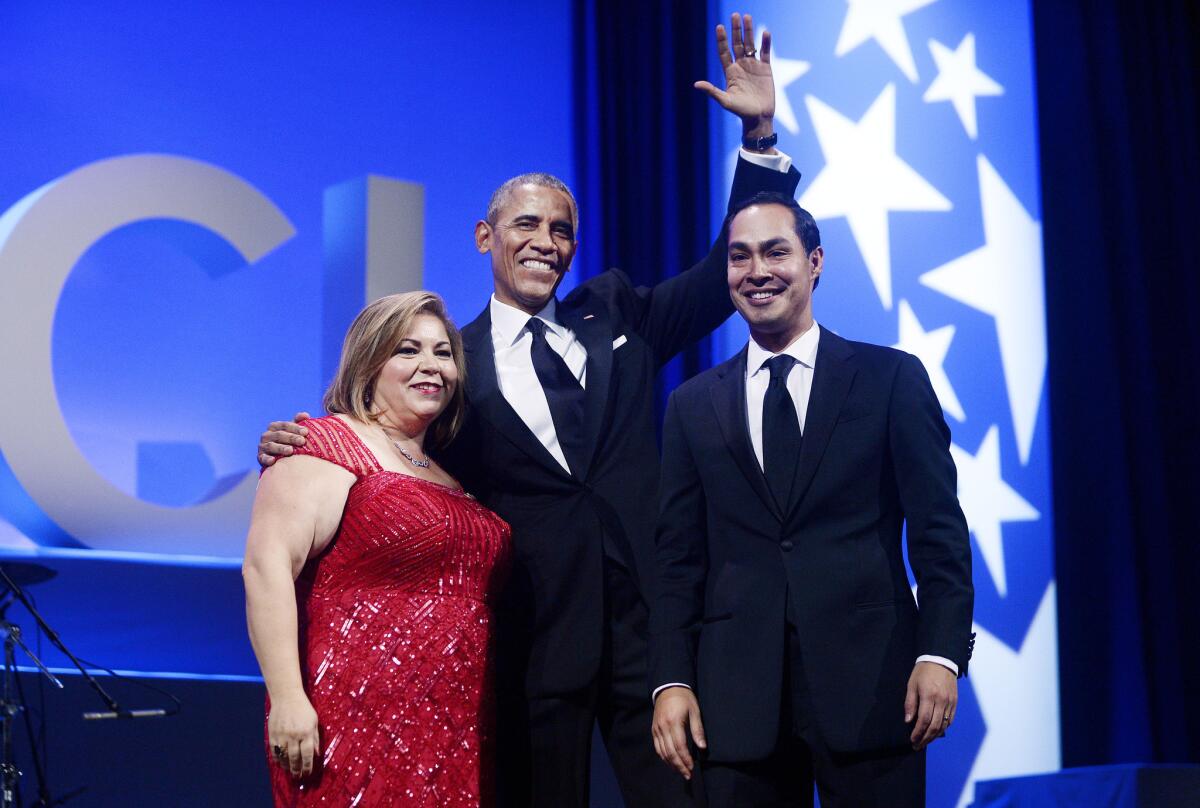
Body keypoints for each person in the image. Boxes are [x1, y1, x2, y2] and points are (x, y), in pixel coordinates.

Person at [258, 14, 801, 806]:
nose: (547, 241)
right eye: (526, 225)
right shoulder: (452, 364)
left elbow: (727, 269)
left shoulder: (617, 314)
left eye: (562, 230)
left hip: (652, 648)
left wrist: (758, 140)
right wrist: (304, 443)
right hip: (528, 648)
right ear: (485, 237)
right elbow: (386, 452)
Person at [649, 193, 975, 806]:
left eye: (777, 251)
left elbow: (940, 535)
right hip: (735, 704)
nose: (758, 271)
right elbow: (675, 561)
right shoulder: (691, 404)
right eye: (740, 257)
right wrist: (669, 679)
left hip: (876, 691)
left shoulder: (891, 380)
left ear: (815, 261)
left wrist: (941, 652)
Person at [243, 292, 511, 807]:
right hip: (350, 715)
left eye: (442, 353)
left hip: (453, 727)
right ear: (368, 364)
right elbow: (266, 567)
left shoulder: (452, 474)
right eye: (407, 350)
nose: (430, 366)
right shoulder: (325, 444)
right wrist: (288, 697)